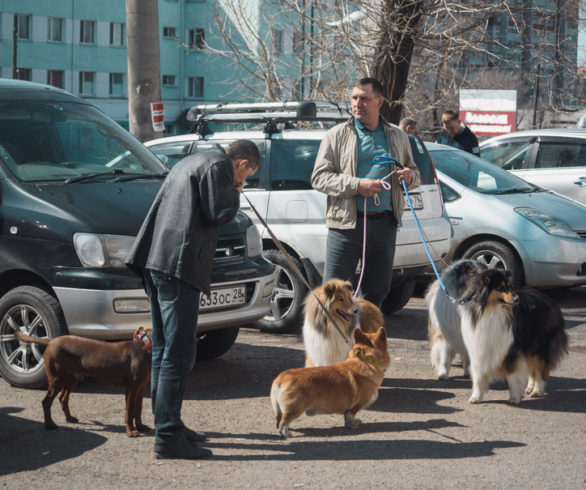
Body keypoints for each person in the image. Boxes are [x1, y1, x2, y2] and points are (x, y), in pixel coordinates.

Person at [126, 139, 260, 460]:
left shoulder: (192, 161)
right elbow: (218, 212)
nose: (240, 184)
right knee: (179, 352)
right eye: (243, 178)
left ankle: (167, 424)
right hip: (178, 266)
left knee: (163, 349)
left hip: (159, 262)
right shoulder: (218, 167)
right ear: (240, 164)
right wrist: (236, 196)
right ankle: (168, 435)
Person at [311, 77, 421, 308]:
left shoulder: (397, 136)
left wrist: (409, 178)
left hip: (384, 225)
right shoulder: (336, 135)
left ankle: (365, 340)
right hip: (346, 226)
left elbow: (415, 173)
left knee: (377, 291)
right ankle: (333, 342)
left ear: (379, 102)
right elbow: (319, 178)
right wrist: (358, 185)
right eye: (354, 98)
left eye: (364, 99)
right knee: (334, 292)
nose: (357, 104)